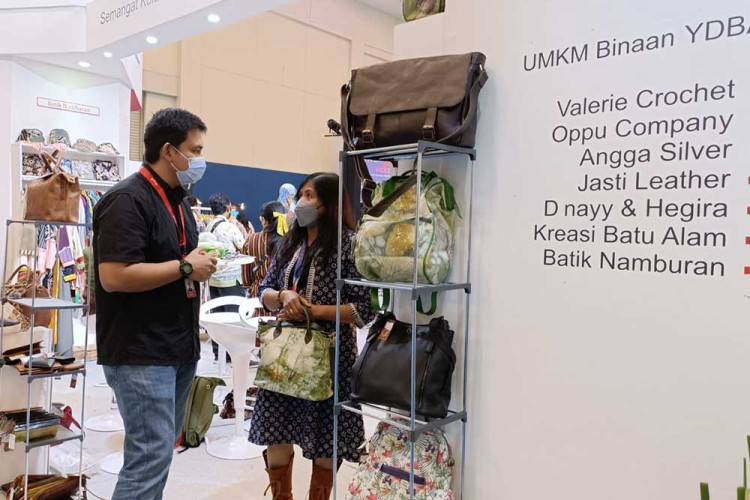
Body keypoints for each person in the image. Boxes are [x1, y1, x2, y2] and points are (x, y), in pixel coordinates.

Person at [93, 108, 216, 500]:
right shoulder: (127, 199)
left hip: (176, 347)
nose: (200, 160)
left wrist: (195, 266)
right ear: (169, 151)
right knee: (148, 458)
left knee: (159, 453)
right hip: (141, 351)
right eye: (195, 151)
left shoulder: (177, 202)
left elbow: (177, 262)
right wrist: (185, 267)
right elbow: (114, 276)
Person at [248, 173, 375, 500]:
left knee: (326, 434)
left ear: (329, 203)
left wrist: (313, 311)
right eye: (301, 194)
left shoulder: (350, 246)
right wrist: (282, 296)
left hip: (330, 355)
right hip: (283, 353)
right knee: (276, 428)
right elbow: (264, 290)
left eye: (310, 195)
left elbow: (364, 309)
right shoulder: (289, 242)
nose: (301, 202)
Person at [206, 193, 247, 359]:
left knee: (218, 318)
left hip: (214, 278)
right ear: (228, 207)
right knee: (234, 319)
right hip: (231, 279)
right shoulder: (230, 227)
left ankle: (219, 353)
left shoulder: (209, 227)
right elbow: (243, 246)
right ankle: (235, 354)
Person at [241, 201, 287, 299]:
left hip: (258, 295)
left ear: (263, 220)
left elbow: (246, 277)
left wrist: (249, 286)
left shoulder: (252, 239)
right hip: (284, 297)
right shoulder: (290, 241)